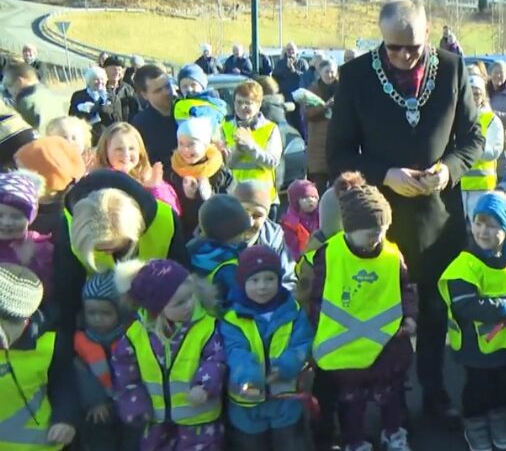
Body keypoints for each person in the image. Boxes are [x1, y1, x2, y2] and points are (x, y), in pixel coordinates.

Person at [326, 0, 485, 426]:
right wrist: (385, 173)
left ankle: (434, 392)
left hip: (437, 216)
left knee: (433, 311)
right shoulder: (356, 76)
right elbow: (338, 152)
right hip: (379, 220)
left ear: (428, 34)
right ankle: (383, 398)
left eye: (412, 47)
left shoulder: (452, 69)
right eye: (394, 47)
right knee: (380, 311)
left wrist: (448, 172)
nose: (403, 56)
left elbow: (473, 140)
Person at [307, 172, 417, 451]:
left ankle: (394, 433)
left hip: (387, 344)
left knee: (390, 394)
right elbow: (317, 296)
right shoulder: (329, 254)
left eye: (382, 231)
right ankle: (354, 440)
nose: (377, 238)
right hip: (344, 349)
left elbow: (406, 288)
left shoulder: (392, 254)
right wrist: (314, 327)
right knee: (350, 400)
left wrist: (410, 317)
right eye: (371, 233)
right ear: (348, 227)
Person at [437, 192, 506, 450]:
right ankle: (475, 427)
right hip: (476, 347)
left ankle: (498, 422)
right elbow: (465, 304)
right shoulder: (464, 266)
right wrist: (503, 308)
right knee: (478, 391)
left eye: (492, 225)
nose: (483, 231)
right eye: (478, 223)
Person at [51, 169, 188, 338]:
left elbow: (183, 281)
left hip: (157, 320)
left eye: (116, 246)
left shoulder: (165, 220)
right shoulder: (69, 224)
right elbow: (67, 290)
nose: (109, 253)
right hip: (98, 322)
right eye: (100, 249)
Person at [112, 259, 226, 450]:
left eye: (191, 297)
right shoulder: (136, 334)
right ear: (157, 308)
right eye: (179, 302)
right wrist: (133, 401)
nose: (189, 305)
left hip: (198, 419)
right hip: (156, 421)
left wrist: (204, 385)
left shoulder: (206, 327)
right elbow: (124, 371)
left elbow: (215, 359)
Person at [221, 245, 313, 450]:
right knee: (250, 444)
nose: (262, 287)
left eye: (269, 279)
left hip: (285, 397)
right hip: (247, 401)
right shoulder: (232, 319)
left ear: (279, 281)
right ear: (242, 282)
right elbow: (235, 351)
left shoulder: (293, 311)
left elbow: (303, 343)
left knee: (290, 443)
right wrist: (250, 378)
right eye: (254, 280)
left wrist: (286, 366)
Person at [0, 263, 79, 449]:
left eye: (9, 321)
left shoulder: (50, 343)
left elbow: (65, 384)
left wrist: (65, 419)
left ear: (27, 319)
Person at [74, 271, 140, 451]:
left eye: (106, 313)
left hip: (132, 405)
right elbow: (80, 373)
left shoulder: (133, 336)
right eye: (91, 312)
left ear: (120, 312)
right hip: (98, 409)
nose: (97, 319)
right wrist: (94, 401)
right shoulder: (79, 340)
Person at [95, 122, 181, 215]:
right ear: (105, 151)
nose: (126, 154)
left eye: (131, 148)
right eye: (119, 149)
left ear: (140, 152)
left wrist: (155, 188)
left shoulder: (149, 178)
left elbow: (173, 215)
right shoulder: (98, 181)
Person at [224, 80, 283, 211]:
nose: (242, 107)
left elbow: (272, 162)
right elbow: (224, 165)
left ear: (258, 104)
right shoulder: (225, 127)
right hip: (235, 197)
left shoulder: (270, 129)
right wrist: (238, 150)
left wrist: (250, 146)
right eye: (239, 102)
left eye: (248, 103)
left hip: (263, 199)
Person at [169, 117, 233, 237]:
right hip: (184, 235)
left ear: (205, 145)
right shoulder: (173, 172)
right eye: (181, 144)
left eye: (191, 144)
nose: (185, 149)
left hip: (215, 235)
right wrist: (188, 197)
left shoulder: (221, 173)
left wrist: (209, 195)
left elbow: (229, 208)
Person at [13, 136, 87, 236]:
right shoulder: (15, 202)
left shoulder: (63, 219)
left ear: (46, 179)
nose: (15, 176)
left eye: (23, 172)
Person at [233, 181, 297, 288]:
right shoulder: (213, 235)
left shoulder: (274, 241)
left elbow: (288, 281)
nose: (249, 222)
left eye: (257, 215)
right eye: (243, 212)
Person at [461, 74, 504, 223]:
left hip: (482, 186)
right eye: (471, 92)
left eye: (477, 93)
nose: (474, 97)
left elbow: (495, 151)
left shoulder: (491, 119)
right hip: (458, 185)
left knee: (479, 227)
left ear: (483, 96)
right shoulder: (456, 116)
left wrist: (471, 150)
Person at [0, 170, 54, 288]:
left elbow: (50, 288)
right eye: (0, 215)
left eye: (16, 217)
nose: (6, 222)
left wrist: (32, 262)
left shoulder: (39, 248)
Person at [302, 58, 339, 195]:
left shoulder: (342, 88)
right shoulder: (313, 89)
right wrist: (325, 107)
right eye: (327, 72)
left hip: (338, 140)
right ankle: (317, 216)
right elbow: (306, 113)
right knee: (319, 187)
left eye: (332, 72)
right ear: (320, 72)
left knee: (339, 186)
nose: (329, 75)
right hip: (318, 142)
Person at [131, 64, 177, 170]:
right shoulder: (140, 124)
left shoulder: (187, 111)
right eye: (158, 90)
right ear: (144, 95)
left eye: (167, 86)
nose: (166, 93)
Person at [3, 60, 53, 129]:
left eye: (8, 84)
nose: (8, 90)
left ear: (18, 82)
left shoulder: (25, 102)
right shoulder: (48, 94)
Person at [69, 66, 112, 144]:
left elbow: (115, 117)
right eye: (96, 79)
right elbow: (72, 116)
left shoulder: (110, 96)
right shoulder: (78, 95)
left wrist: (104, 105)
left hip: (105, 137)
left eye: (102, 79)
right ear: (89, 81)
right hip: (84, 135)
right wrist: (84, 109)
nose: (99, 82)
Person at [281, 179, 319, 259]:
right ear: (295, 201)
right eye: (305, 198)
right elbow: (291, 247)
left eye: (314, 197)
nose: (311, 201)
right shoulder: (290, 223)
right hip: (300, 260)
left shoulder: (321, 216)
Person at [104, 56, 141, 124]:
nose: (117, 72)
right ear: (105, 70)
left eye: (119, 70)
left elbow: (136, 111)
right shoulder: (101, 89)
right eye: (114, 69)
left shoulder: (128, 89)